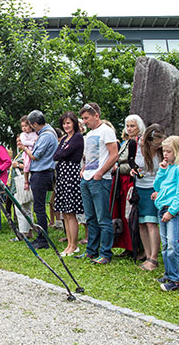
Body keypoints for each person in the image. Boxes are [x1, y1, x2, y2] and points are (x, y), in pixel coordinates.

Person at [75, 103, 118, 263]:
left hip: (100, 180)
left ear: (96, 116)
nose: (85, 122)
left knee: (103, 218)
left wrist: (100, 173)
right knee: (90, 217)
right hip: (86, 178)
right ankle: (91, 251)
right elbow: (91, 156)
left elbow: (113, 155)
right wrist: (84, 169)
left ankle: (106, 253)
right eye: (83, 118)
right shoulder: (91, 134)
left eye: (87, 118)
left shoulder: (106, 131)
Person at [152, 136, 179, 291]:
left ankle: (176, 278)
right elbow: (157, 186)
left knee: (172, 245)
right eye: (164, 151)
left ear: (177, 150)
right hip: (162, 208)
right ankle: (168, 273)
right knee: (165, 244)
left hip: (171, 211)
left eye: (169, 151)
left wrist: (172, 211)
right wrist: (161, 170)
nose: (165, 154)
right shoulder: (168, 168)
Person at [20, 110, 58, 249]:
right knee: (39, 207)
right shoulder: (47, 133)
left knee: (39, 208)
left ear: (35, 124)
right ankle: (41, 236)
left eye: (31, 125)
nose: (31, 128)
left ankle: (42, 239)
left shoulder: (46, 135)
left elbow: (35, 156)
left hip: (42, 173)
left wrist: (24, 148)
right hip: (43, 172)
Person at [112, 114, 145, 259]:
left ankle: (139, 248)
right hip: (121, 181)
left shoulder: (141, 142)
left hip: (132, 182)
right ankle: (127, 246)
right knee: (123, 215)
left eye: (133, 126)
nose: (130, 128)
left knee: (132, 215)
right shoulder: (126, 142)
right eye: (128, 126)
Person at [53, 111, 84, 257]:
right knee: (65, 212)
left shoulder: (77, 137)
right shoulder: (65, 138)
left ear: (74, 123)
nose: (66, 126)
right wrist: (62, 151)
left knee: (71, 213)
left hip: (71, 175)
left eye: (69, 123)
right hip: (62, 175)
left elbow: (61, 155)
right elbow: (56, 155)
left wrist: (62, 152)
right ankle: (69, 244)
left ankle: (74, 245)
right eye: (64, 123)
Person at [134, 124, 164, 271]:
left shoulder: (163, 152)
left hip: (155, 189)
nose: (157, 147)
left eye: (159, 144)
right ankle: (147, 254)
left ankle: (154, 257)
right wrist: (134, 171)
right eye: (155, 144)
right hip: (140, 187)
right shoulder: (139, 150)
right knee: (142, 223)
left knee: (152, 223)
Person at [9, 135, 34, 241]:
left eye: (20, 140)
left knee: (20, 209)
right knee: (27, 209)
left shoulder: (26, 152)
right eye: (17, 141)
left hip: (21, 183)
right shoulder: (21, 153)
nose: (18, 142)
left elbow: (30, 166)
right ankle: (30, 231)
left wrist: (17, 165)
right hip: (21, 183)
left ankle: (23, 233)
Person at [19, 116, 38, 189]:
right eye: (22, 126)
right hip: (27, 152)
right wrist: (33, 143)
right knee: (26, 166)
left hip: (34, 151)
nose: (24, 128)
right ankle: (26, 181)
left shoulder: (35, 133)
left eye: (26, 126)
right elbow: (24, 142)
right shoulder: (23, 134)